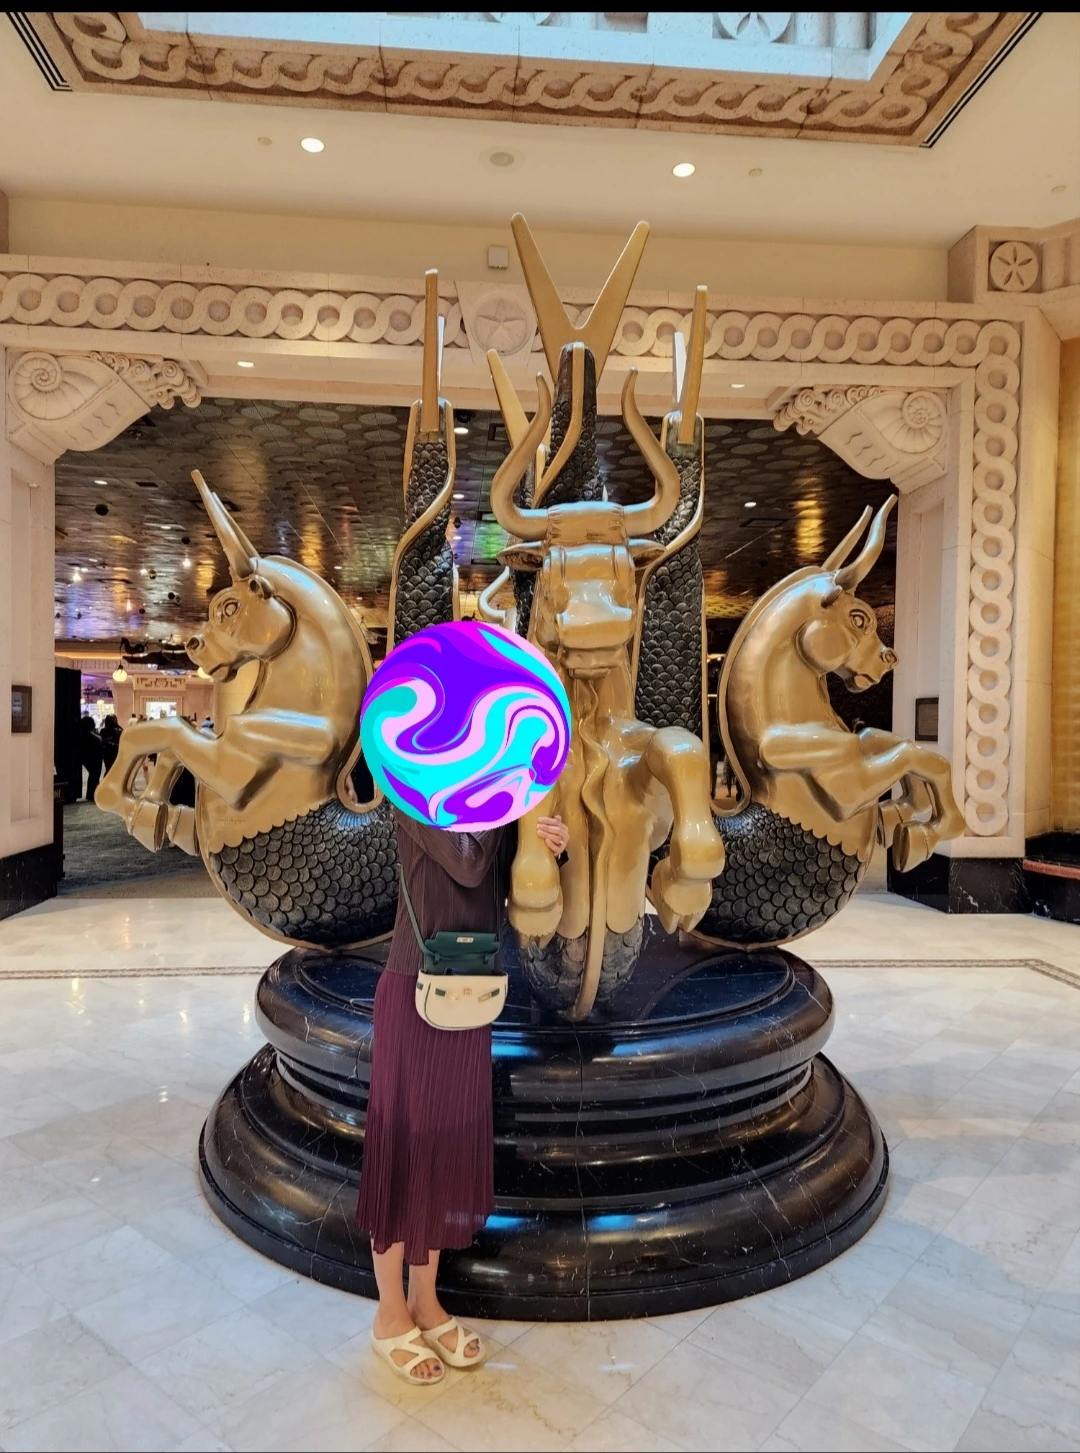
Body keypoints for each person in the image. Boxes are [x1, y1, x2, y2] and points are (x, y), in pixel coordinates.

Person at [357, 807, 569, 1386]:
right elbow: (465, 863)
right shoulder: (416, 789)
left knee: (444, 1145)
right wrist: (512, 816)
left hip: (470, 989)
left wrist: (544, 847)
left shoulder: (490, 807)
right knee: (404, 1147)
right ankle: (389, 1313)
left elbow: (503, 891)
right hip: (413, 991)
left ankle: (425, 1300)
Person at [79, 715, 104, 801]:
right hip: (94, 757)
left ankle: (91, 793)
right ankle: (93, 794)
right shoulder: (90, 736)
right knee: (94, 775)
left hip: (91, 757)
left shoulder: (85, 734)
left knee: (93, 775)